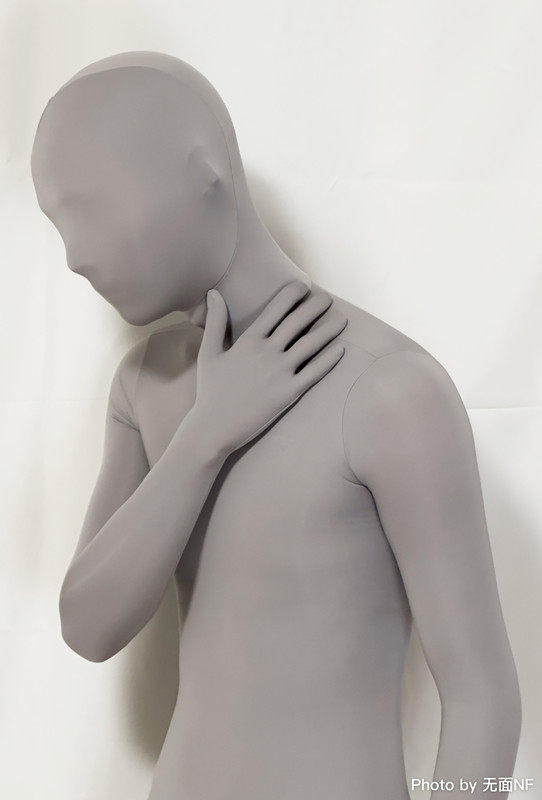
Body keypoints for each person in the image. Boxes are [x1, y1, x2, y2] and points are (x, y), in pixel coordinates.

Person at [31, 51, 521, 800]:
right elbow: (88, 628)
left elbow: (482, 693)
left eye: (90, 209)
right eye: (60, 223)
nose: (73, 256)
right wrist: (206, 434)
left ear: (204, 177)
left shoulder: (387, 392)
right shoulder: (144, 386)